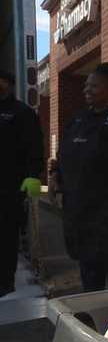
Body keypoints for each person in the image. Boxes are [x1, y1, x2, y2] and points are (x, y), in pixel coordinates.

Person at [48, 63, 108, 292]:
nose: (87, 90)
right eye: (86, 85)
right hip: (79, 216)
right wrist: (54, 178)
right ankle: (93, 318)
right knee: (89, 277)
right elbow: (62, 157)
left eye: (94, 85)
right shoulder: (78, 121)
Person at [0, 70, 43, 297]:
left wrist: (33, 178)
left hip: (10, 188)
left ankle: (5, 284)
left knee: (6, 236)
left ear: (7, 84)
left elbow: (34, 148)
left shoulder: (22, 113)